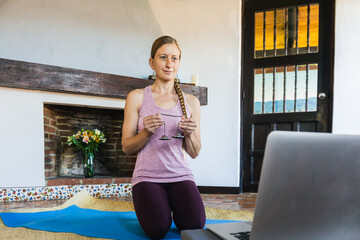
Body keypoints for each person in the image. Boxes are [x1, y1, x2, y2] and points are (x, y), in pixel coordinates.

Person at [121, 35, 206, 239]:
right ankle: (158, 204)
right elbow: (126, 147)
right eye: (163, 57)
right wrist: (146, 132)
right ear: (152, 62)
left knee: (194, 225)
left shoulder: (191, 102)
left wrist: (190, 133)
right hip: (147, 178)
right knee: (157, 229)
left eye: (174, 58)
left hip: (180, 175)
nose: (169, 64)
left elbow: (194, 153)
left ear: (179, 63)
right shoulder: (137, 97)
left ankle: (167, 201)